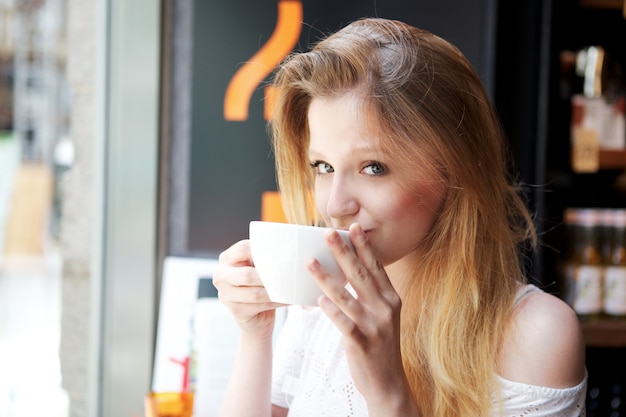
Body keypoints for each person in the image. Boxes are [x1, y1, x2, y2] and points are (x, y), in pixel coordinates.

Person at [213, 18, 587, 417]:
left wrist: (388, 395)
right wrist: (256, 335)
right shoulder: (321, 305)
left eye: (373, 167)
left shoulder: (538, 335)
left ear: (452, 170)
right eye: (322, 166)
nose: (336, 205)